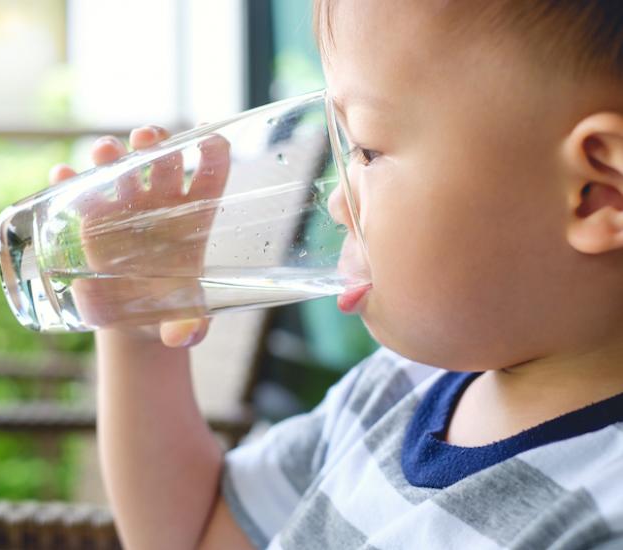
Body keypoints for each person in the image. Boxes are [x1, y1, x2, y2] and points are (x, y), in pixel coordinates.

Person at [50, 0, 623, 548]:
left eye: (367, 150)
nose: (337, 204)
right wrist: (139, 335)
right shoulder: (393, 390)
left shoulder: (600, 508)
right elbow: (195, 535)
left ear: (597, 195)